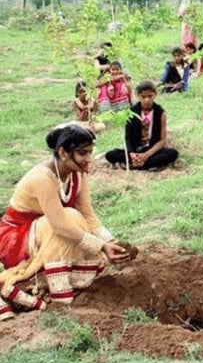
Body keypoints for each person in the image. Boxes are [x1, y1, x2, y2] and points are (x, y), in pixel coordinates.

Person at [0, 125, 132, 320]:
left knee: (76, 218)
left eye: (90, 152)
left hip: (45, 231)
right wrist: (100, 246)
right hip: (16, 238)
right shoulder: (43, 178)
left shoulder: (78, 173)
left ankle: (66, 280)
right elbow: (60, 224)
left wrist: (111, 240)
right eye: (82, 153)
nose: (88, 159)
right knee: (69, 218)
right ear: (62, 152)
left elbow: (88, 215)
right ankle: (59, 294)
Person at [105, 80, 179, 170]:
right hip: (135, 149)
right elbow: (127, 137)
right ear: (138, 96)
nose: (147, 100)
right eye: (143, 97)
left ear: (155, 95)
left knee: (172, 153)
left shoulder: (160, 113)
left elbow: (162, 141)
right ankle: (141, 163)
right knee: (110, 154)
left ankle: (136, 165)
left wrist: (146, 155)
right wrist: (131, 153)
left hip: (151, 150)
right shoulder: (132, 112)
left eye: (150, 96)